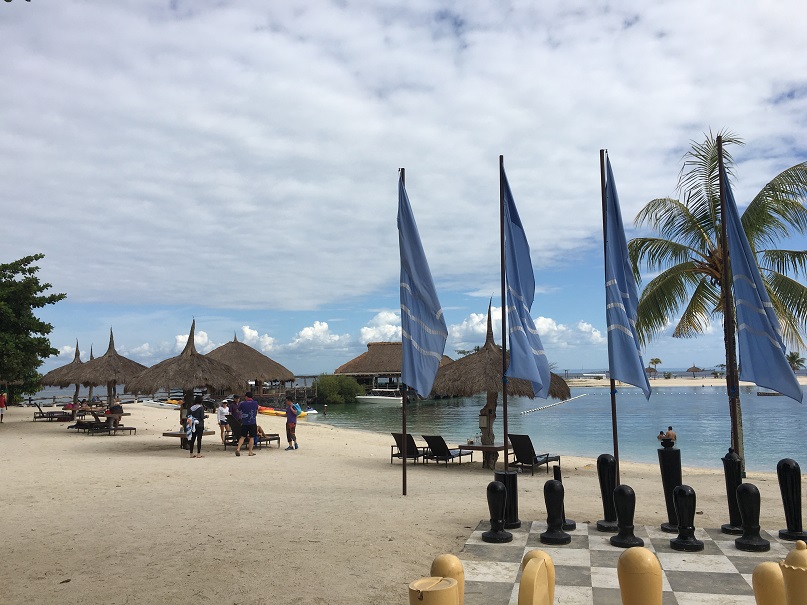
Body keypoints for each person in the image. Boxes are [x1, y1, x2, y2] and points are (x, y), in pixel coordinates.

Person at [235, 392, 259, 457]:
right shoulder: (255, 403)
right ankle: (250, 452)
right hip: (252, 422)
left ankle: (238, 449)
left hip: (244, 422)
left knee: (242, 437)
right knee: (252, 437)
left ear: (246, 397)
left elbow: (237, 410)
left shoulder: (242, 403)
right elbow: (256, 411)